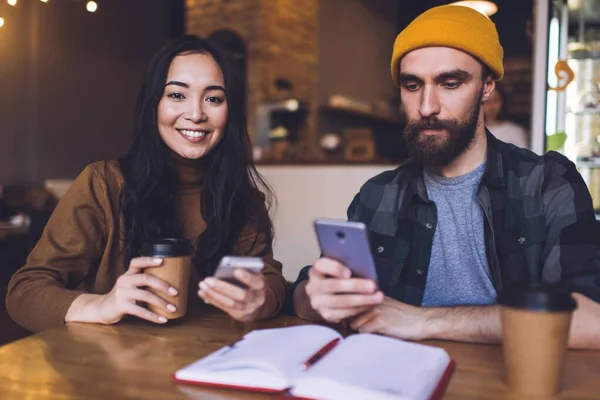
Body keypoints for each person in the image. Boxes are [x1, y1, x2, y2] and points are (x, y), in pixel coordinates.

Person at [290, 5, 600, 349]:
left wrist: (423, 320)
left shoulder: (548, 183)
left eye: (450, 83)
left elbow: (590, 319)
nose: (426, 107)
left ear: (487, 87)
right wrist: (314, 296)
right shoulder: (378, 195)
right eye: (412, 85)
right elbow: (306, 296)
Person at [6, 35, 287, 333]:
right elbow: (25, 291)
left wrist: (263, 299)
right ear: (153, 104)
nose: (195, 114)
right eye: (177, 95)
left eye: (213, 98)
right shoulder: (104, 184)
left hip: (212, 364)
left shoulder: (244, 199)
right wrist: (100, 305)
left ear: (229, 112)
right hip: (116, 370)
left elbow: (269, 278)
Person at [483, 84, 529, 148]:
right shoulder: (474, 133)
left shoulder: (515, 131)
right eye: (487, 101)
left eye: (495, 100)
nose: (491, 105)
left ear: (503, 101)